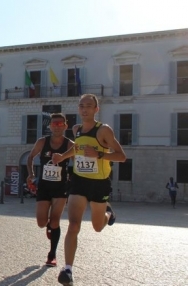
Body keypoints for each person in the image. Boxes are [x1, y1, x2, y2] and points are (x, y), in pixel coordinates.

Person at [51, 94, 126, 285]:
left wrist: (100, 154)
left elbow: (121, 156)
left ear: (96, 109)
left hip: (99, 183)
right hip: (79, 181)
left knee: (97, 227)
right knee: (73, 225)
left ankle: (108, 214)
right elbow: (77, 149)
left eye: (89, 106)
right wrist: (63, 157)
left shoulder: (104, 131)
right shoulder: (76, 129)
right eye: (81, 106)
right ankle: (68, 270)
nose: (84, 109)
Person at [26, 113, 74, 267]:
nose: (57, 126)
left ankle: (52, 254)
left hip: (61, 187)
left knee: (55, 221)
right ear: (50, 126)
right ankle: (49, 228)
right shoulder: (42, 142)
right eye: (54, 124)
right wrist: (31, 174)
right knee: (41, 222)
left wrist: (75, 180)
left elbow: (78, 162)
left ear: (65, 126)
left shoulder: (69, 144)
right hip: (44, 186)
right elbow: (30, 157)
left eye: (60, 124)